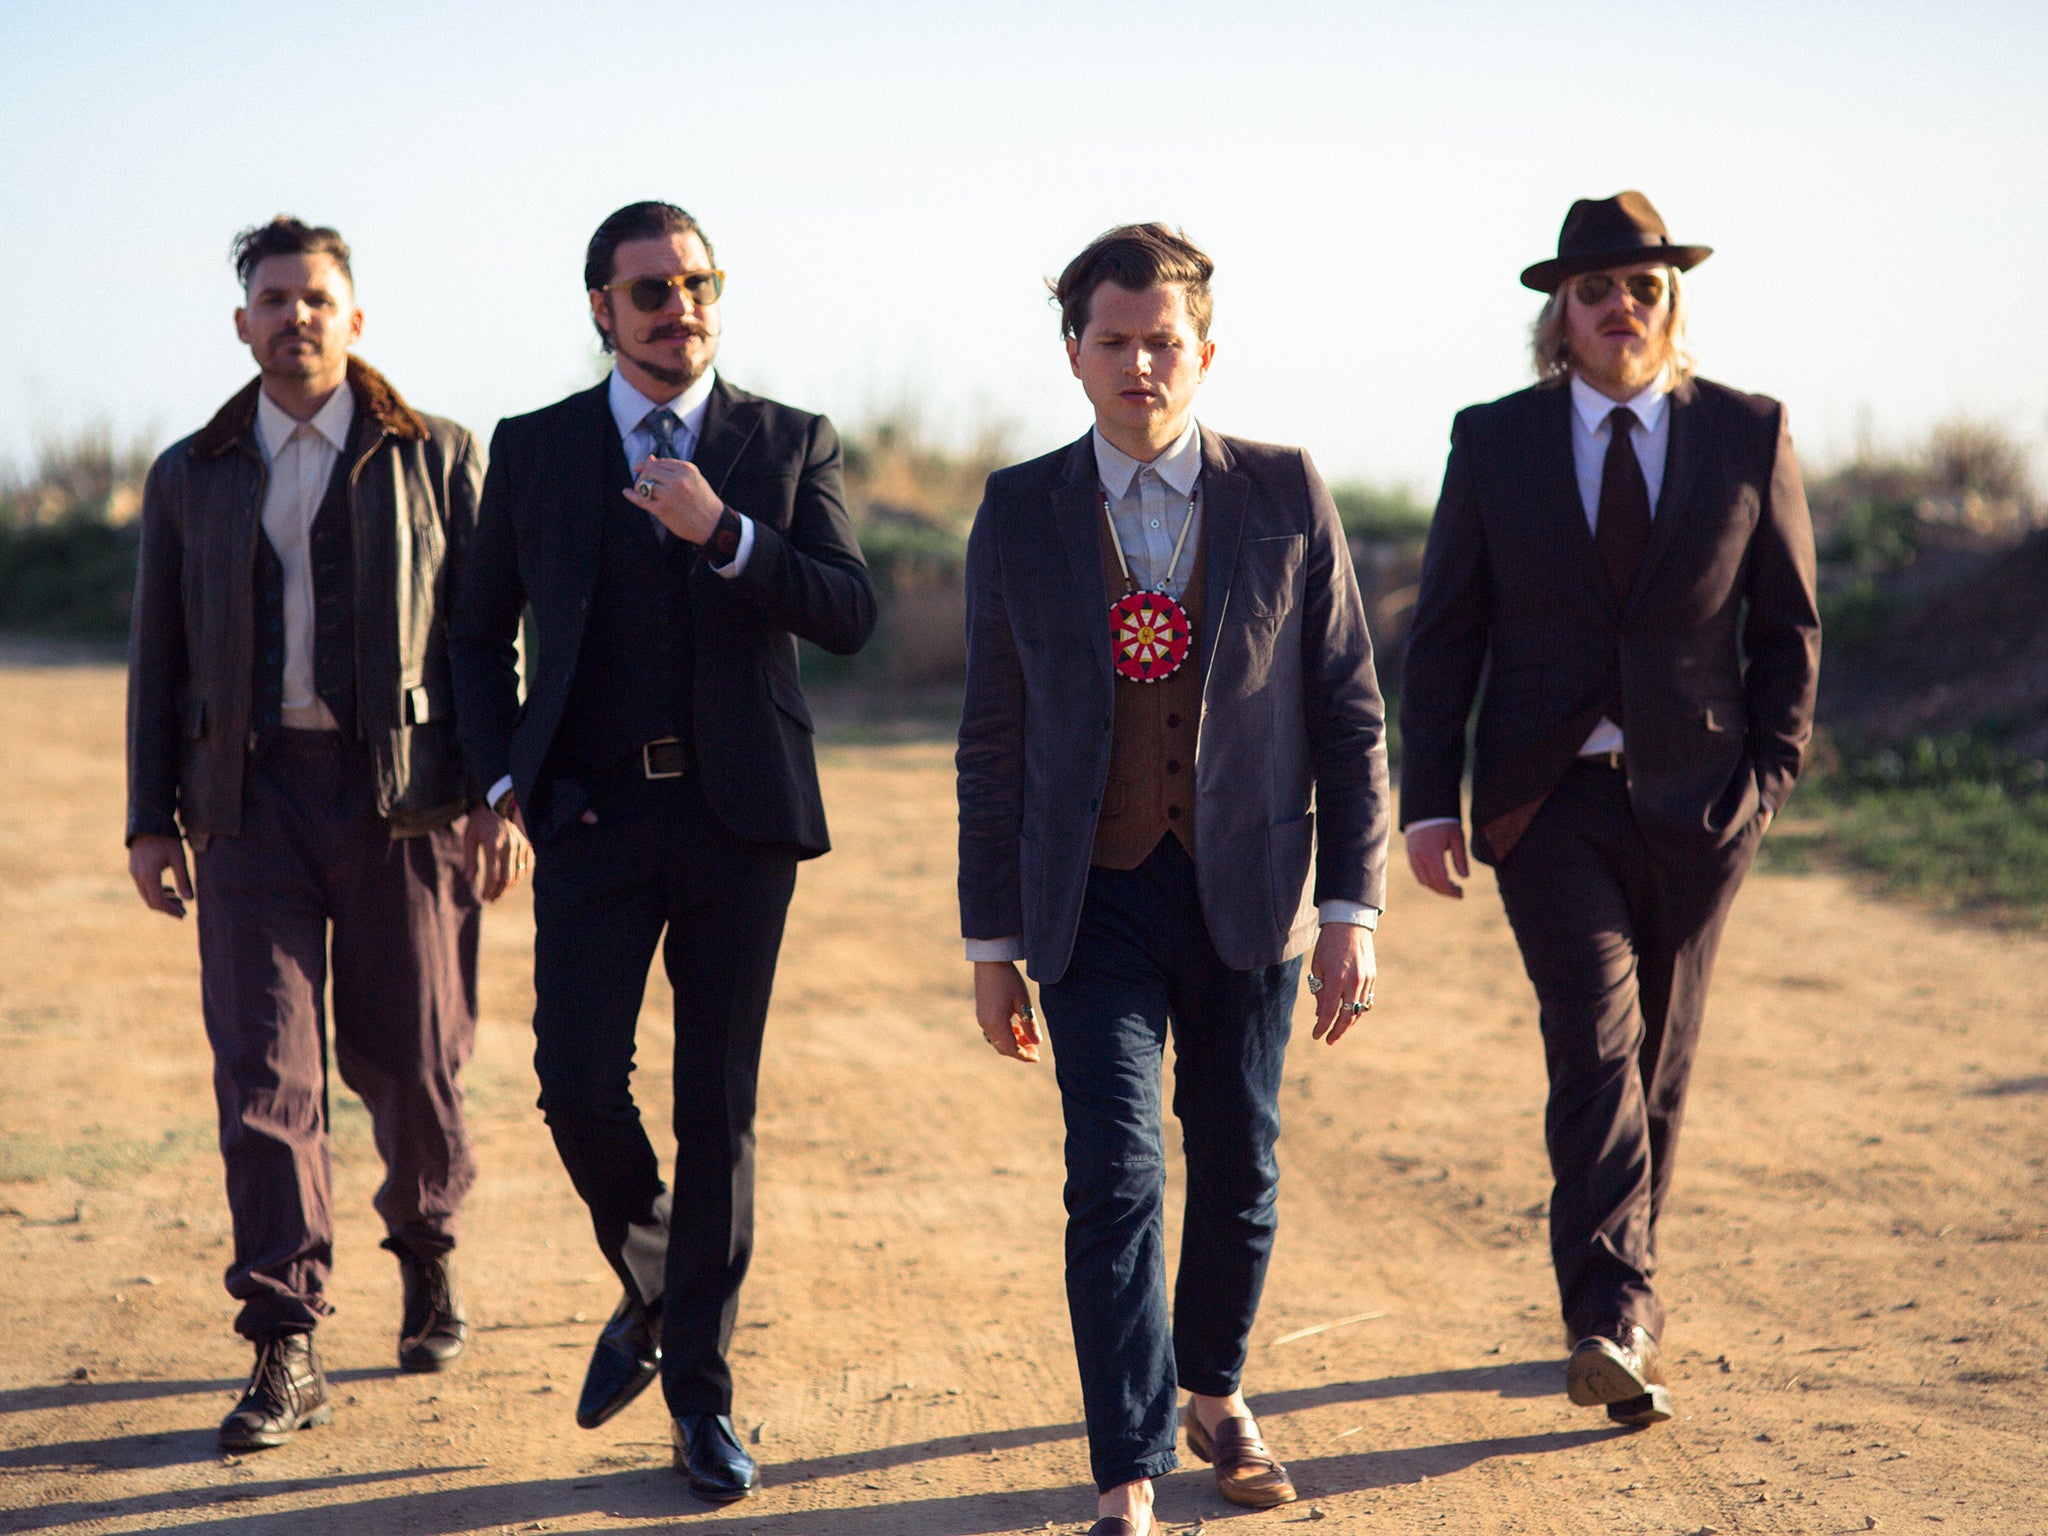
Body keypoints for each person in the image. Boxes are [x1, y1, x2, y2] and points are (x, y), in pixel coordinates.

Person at [956, 224, 1391, 1536]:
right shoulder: (1020, 511)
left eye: (1164, 341)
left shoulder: (1284, 491)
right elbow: (993, 739)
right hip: (1089, 897)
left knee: (1243, 1157)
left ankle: (1216, 1392)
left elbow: (1348, 709)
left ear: (1205, 351)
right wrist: (990, 943)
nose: (1141, 362)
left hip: (1249, 889)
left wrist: (1351, 911)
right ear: (1074, 355)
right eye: (1114, 340)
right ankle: (1127, 1470)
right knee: (1117, 1173)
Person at [450, 200, 875, 1504]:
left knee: (718, 1113)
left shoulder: (786, 440)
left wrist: (726, 532)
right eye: (649, 290)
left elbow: (849, 609)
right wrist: (509, 782)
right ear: (601, 310)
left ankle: (701, 1397)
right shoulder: (535, 451)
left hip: (742, 824)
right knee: (575, 1081)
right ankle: (654, 1281)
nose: (677, 305)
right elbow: (476, 636)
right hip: (591, 817)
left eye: (696, 283)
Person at [1401, 192, 1820, 1427]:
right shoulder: (1493, 442)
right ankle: (1610, 1317)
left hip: (1700, 801)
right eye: (1595, 292)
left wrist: (1765, 781)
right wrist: (1427, 802)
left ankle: (1625, 1293)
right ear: (1559, 319)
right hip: (1548, 802)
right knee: (1590, 1039)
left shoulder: (1748, 432)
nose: (1620, 308)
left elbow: (1785, 628)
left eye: (1642, 287)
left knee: (1659, 1059)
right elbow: (1444, 635)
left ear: (1668, 304)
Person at [126, 216, 524, 1450]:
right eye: (272, 298)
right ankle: (286, 1338)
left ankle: (428, 1251)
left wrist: (497, 793)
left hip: (405, 799)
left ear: (357, 320)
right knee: (263, 1074)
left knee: (410, 1060)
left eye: (316, 297)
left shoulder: (440, 457)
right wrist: (152, 820)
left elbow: (489, 638)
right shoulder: (194, 470)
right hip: (246, 807)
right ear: (241, 324)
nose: (294, 316)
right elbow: (160, 655)